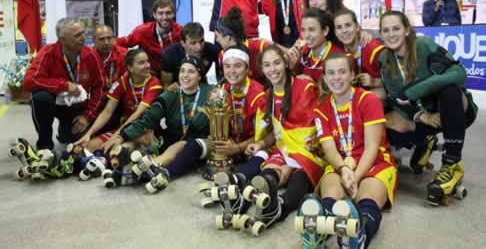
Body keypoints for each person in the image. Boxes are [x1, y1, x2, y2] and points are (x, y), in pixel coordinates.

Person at [378, 11, 477, 204]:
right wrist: (420, 116)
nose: (391, 34)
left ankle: (452, 163)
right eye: (386, 30)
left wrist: (416, 89)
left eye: (396, 28)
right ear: (381, 35)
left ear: (407, 29)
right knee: (390, 125)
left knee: (451, 91)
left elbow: (459, 73)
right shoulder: (385, 59)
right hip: (425, 117)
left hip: (451, 111)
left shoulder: (422, 45)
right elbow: (397, 99)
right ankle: (425, 142)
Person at [301, 53, 396, 248]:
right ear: (325, 78)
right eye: (331, 73)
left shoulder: (368, 100)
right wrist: (344, 170)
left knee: (366, 200)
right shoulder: (321, 109)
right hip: (340, 163)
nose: (337, 77)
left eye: (342, 72)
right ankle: (317, 229)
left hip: (374, 163)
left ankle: (359, 236)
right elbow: (328, 148)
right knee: (331, 194)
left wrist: (356, 176)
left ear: (352, 74)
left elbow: (371, 147)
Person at [150, 46, 268, 190]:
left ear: (247, 68)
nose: (231, 71)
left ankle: (232, 185)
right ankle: (164, 174)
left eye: (237, 66)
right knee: (194, 144)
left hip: (249, 146)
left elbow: (264, 136)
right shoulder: (221, 90)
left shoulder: (258, 96)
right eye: (227, 66)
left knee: (262, 154)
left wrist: (237, 148)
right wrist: (177, 88)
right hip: (225, 144)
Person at [236, 45, 325, 234]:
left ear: (285, 63)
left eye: (277, 63)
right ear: (262, 69)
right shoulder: (269, 95)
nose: (272, 69)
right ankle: (245, 199)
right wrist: (260, 143)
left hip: (309, 150)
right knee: (270, 172)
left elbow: (313, 129)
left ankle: (280, 208)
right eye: (267, 65)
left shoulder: (304, 87)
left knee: (299, 175)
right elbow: (278, 132)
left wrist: (293, 157)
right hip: (284, 149)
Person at [113, 56, 213, 171]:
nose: (185, 75)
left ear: (200, 76)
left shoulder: (210, 93)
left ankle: (151, 168)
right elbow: (148, 118)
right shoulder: (171, 94)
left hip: (197, 145)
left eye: (191, 72)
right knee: (143, 134)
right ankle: (118, 156)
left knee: (182, 146)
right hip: (172, 139)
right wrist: (122, 136)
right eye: (182, 71)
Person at [23, 18, 105, 150]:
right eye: (77, 35)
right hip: (53, 103)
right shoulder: (47, 53)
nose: (83, 38)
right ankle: (45, 144)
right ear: (62, 40)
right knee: (40, 98)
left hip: (77, 107)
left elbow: (100, 88)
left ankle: (64, 131)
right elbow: (29, 81)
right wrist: (64, 85)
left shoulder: (91, 55)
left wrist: (87, 117)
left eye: (83, 33)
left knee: (75, 141)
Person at [74, 49, 162, 152]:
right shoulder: (122, 82)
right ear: (130, 68)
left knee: (117, 152)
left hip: (144, 131)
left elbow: (138, 114)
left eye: (147, 61)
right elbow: (107, 112)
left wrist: (116, 137)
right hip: (124, 127)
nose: (147, 65)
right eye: (141, 62)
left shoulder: (154, 83)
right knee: (89, 147)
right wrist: (88, 134)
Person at [116, 0, 182, 78]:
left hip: (173, 75)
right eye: (160, 13)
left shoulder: (180, 31)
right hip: (151, 75)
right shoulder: (142, 31)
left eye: (168, 13)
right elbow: (123, 42)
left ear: (173, 14)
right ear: (154, 15)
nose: (165, 17)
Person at [334, 9, 385, 100]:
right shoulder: (337, 53)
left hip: (379, 96)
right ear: (335, 32)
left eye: (348, 25)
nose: (344, 31)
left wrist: (375, 82)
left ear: (357, 27)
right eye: (339, 27)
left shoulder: (374, 49)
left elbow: (395, 82)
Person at [215, 6, 272, 84]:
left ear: (228, 37)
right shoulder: (222, 56)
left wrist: (273, 44)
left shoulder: (261, 47)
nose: (217, 40)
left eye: (217, 36)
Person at [288, 9, 345, 84]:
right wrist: (292, 66)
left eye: (311, 30)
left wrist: (313, 85)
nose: (306, 35)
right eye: (303, 30)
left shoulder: (340, 57)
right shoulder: (302, 53)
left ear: (325, 31)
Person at [161, 22, 220, 90]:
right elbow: (166, 86)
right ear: (183, 43)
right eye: (193, 43)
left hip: (201, 85)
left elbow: (223, 75)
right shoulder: (170, 55)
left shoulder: (212, 50)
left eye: (201, 41)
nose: (199, 47)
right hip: (177, 88)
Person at [92, 25, 127, 90]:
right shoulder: (88, 56)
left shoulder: (124, 55)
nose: (106, 42)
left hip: (118, 94)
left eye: (109, 38)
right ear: (94, 41)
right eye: (101, 39)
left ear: (114, 39)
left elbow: (128, 82)